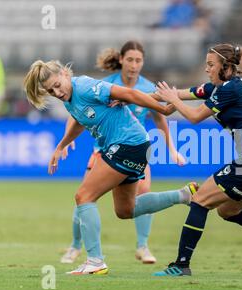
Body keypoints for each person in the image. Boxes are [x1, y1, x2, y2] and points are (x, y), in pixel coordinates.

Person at [23, 60, 197, 275]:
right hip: (135, 146)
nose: (57, 92)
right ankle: (183, 195)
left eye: (58, 85)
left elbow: (130, 94)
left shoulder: (85, 86)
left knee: (84, 196)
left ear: (65, 74)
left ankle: (95, 261)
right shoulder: (70, 99)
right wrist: (61, 145)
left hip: (127, 144)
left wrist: (162, 109)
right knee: (126, 210)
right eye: (51, 90)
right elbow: (79, 120)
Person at [152, 43, 242, 277]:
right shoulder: (219, 87)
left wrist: (173, 100)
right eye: (206, 64)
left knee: (200, 200)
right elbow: (180, 95)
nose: (206, 68)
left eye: (211, 65)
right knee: (227, 211)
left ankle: (181, 265)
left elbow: (193, 116)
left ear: (226, 67)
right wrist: (130, 98)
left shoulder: (229, 89)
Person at [60, 41, 187, 265]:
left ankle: (142, 246)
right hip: (102, 150)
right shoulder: (105, 84)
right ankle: (75, 246)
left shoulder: (148, 88)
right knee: (86, 197)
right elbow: (78, 109)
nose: (134, 65)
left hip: (132, 146)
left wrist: (172, 150)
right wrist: (66, 139)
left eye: (138, 60)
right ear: (121, 60)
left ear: (143, 62)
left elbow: (161, 119)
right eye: (130, 59)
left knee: (131, 193)